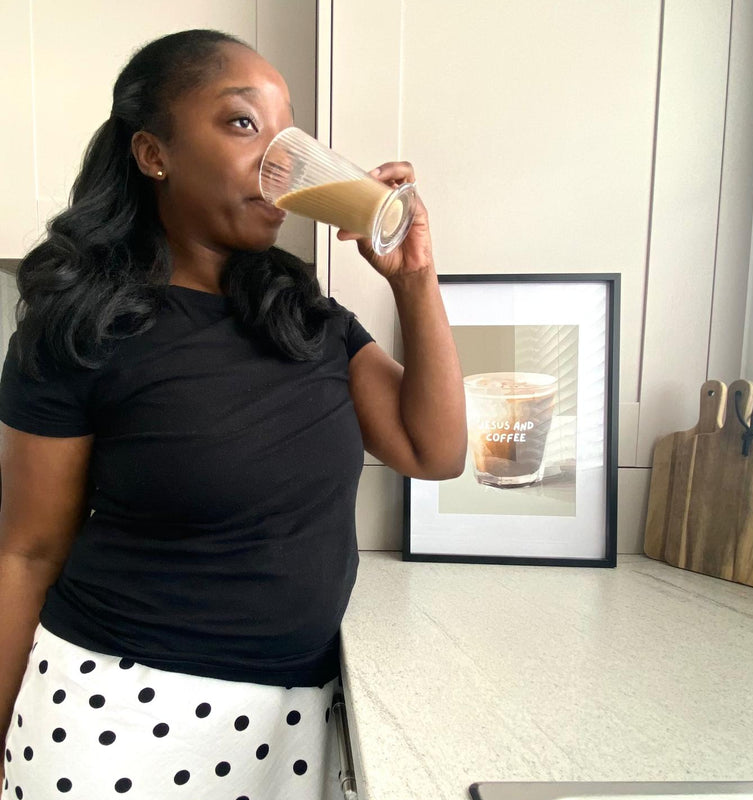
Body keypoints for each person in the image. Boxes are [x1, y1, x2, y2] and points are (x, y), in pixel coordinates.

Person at [0, 29, 466, 800]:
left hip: (293, 725)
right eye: (243, 123)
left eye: (287, 137)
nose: (279, 163)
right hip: (113, 721)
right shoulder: (82, 329)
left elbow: (434, 450)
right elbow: (27, 551)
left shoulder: (308, 319)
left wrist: (413, 277)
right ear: (154, 153)